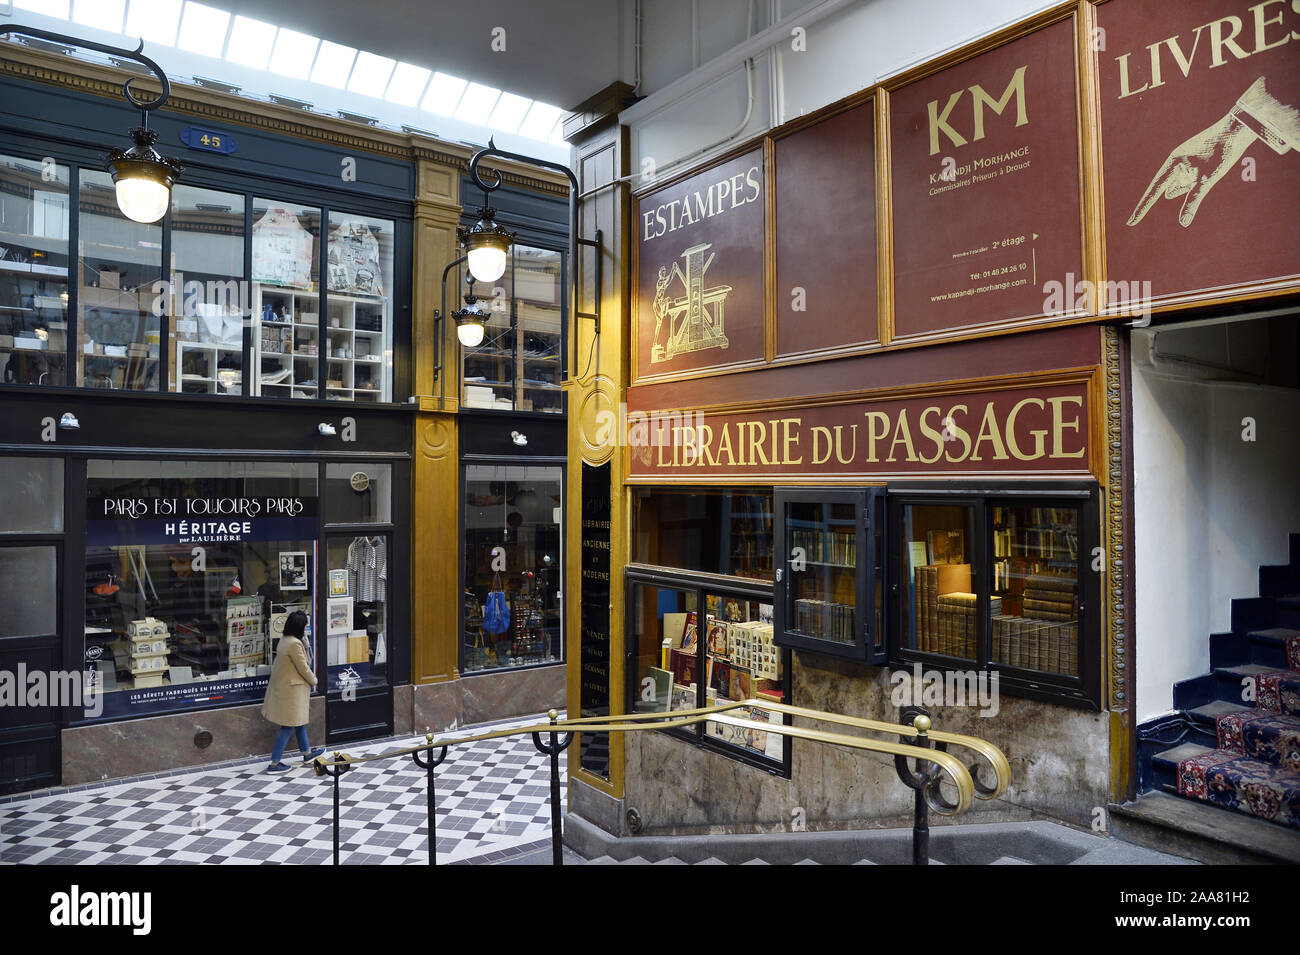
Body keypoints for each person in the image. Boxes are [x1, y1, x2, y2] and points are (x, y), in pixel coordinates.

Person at [262, 610, 323, 773]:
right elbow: (303, 667)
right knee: (289, 725)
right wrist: (314, 681)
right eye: (304, 625)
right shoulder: (295, 644)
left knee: (298, 722)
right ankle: (274, 764)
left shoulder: (284, 640)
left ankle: (307, 753)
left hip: (287, 688)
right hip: (292, 690)